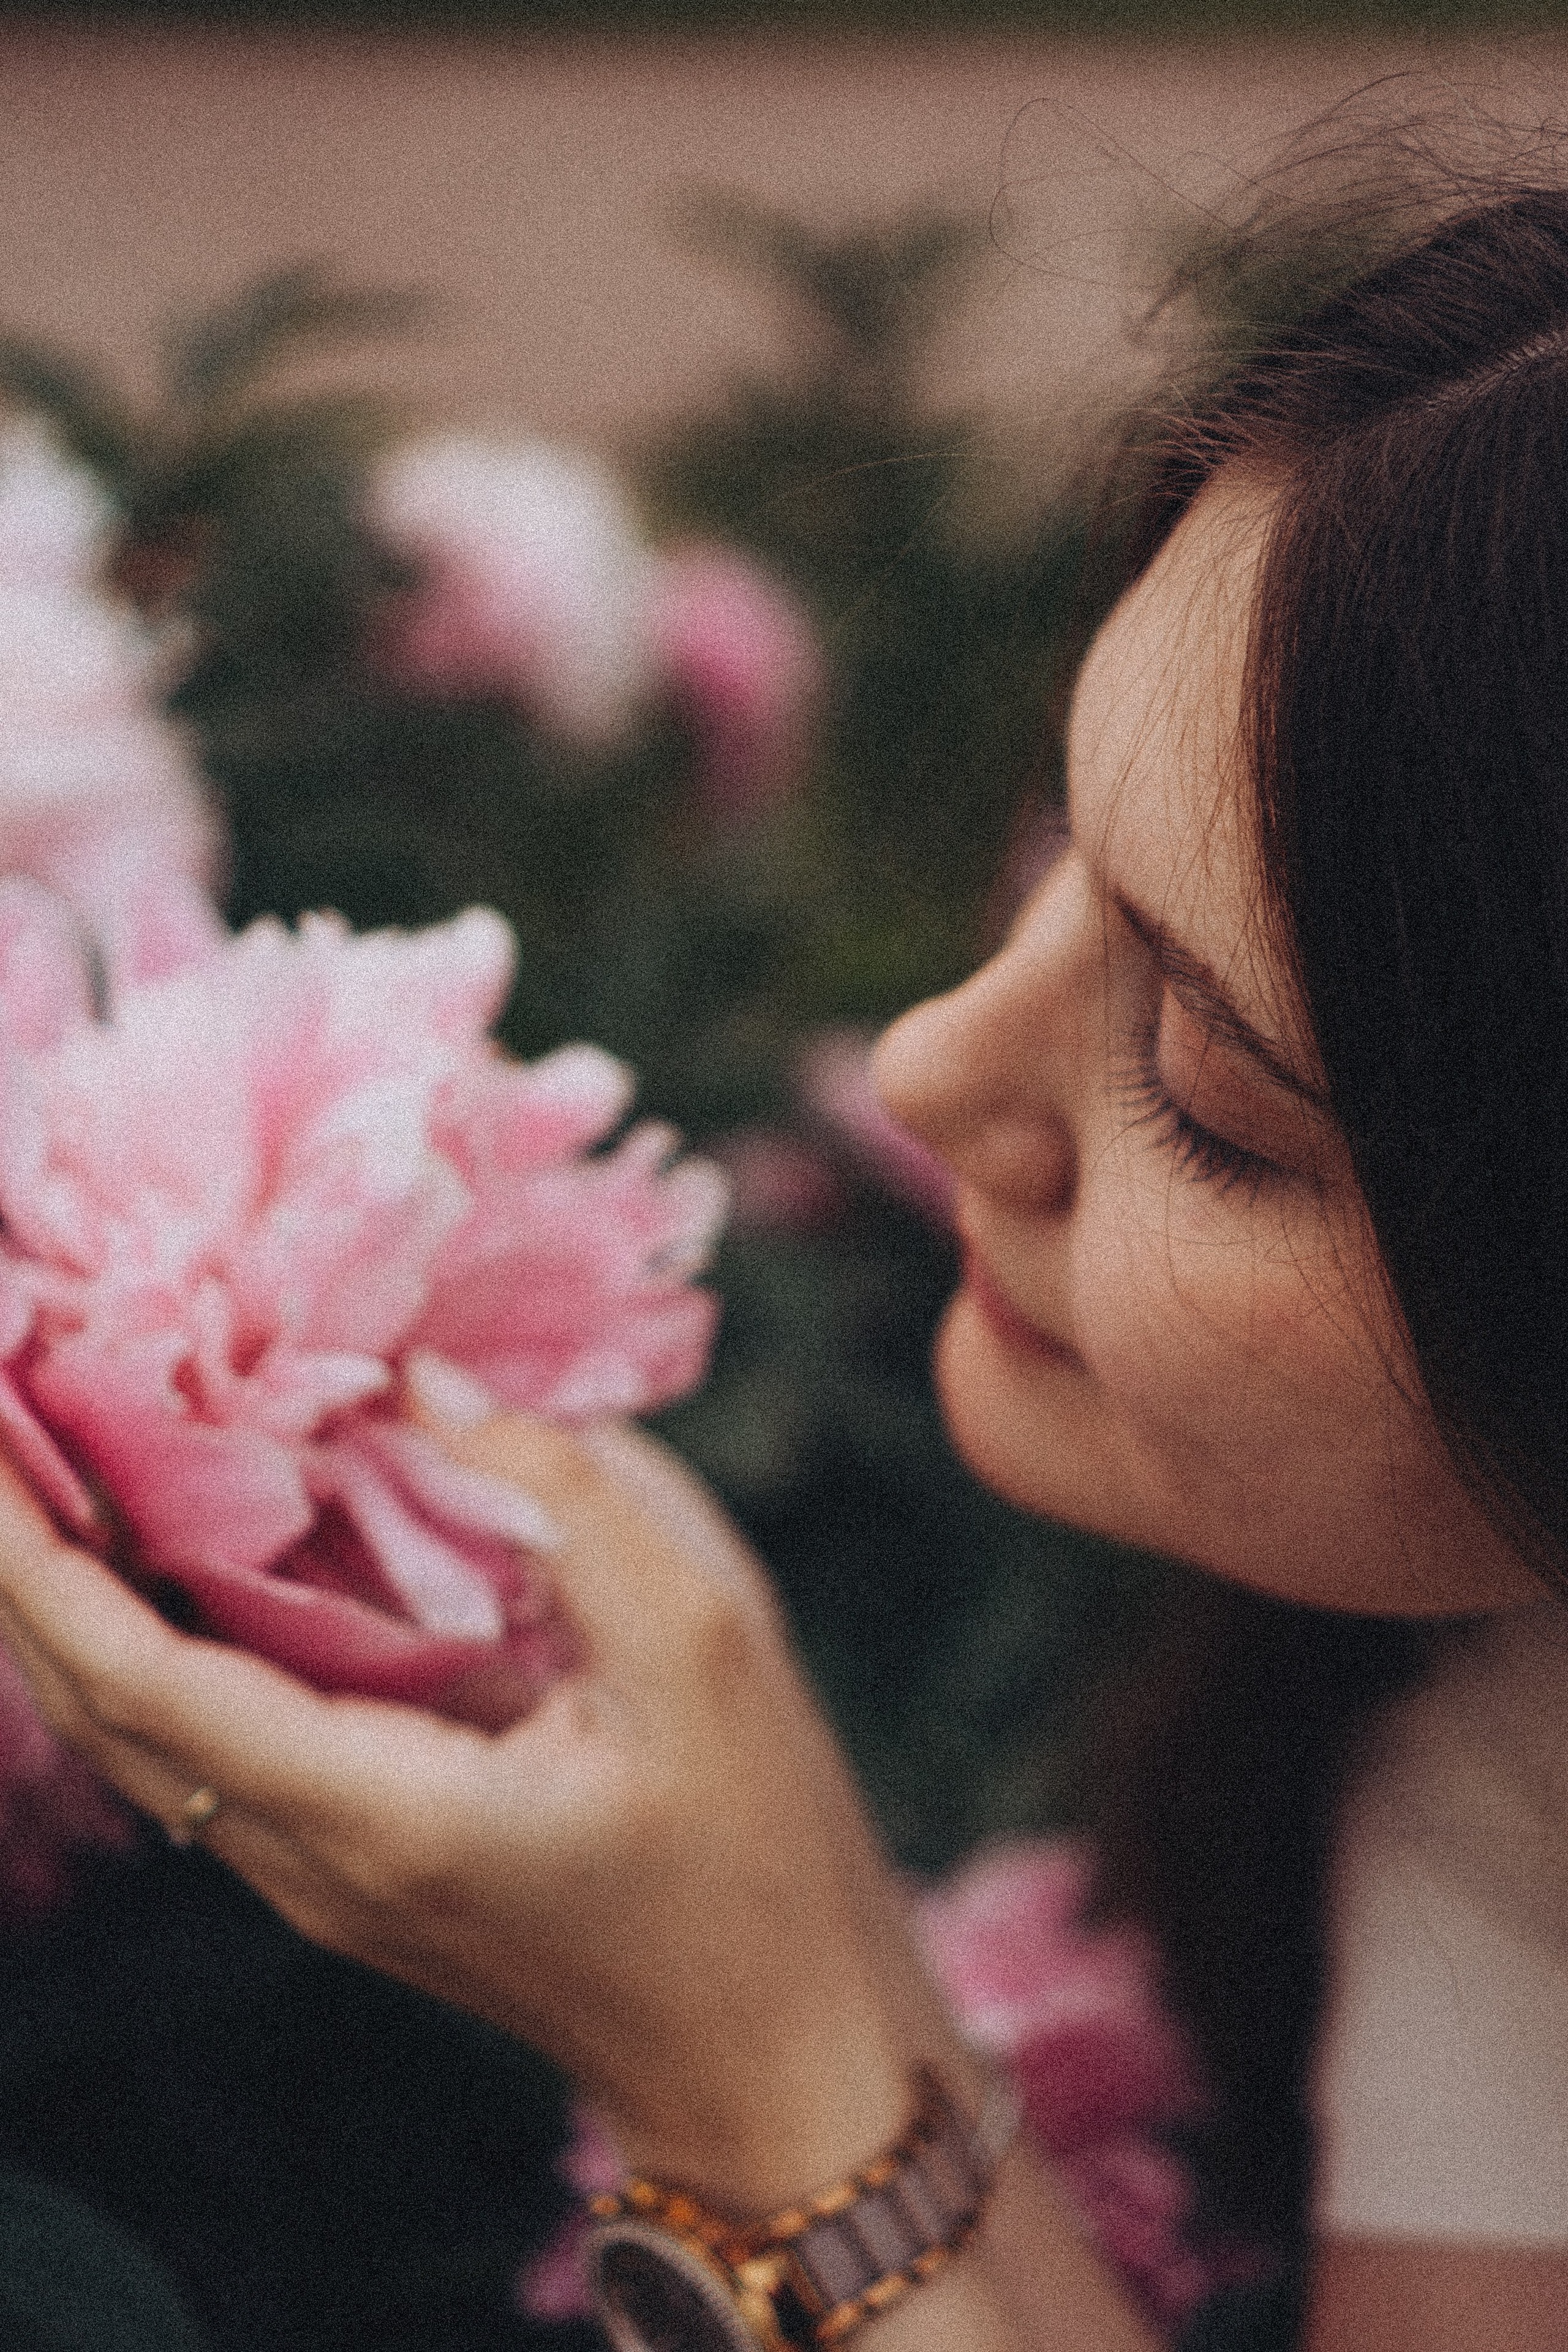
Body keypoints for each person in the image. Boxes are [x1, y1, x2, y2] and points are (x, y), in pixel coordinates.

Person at [0, 182, 1566, 2352]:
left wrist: (746, 2073)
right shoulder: (1511, 1751)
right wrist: (784, 1923)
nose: (926, 1070)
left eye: (1210, 1091)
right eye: (1069, 835)